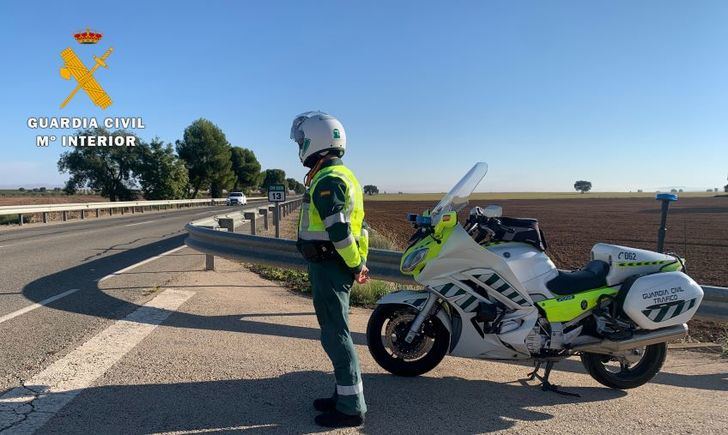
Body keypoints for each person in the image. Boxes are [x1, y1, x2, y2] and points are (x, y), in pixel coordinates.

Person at [291, 111, 369, 428]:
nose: (299, 146)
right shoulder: (341, 174)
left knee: (336, 336)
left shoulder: (328, 180)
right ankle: (343, 394)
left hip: (330, 266)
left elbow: (339, 231)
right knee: (336, 332)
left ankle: (351, 407)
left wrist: (356, 265)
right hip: (334, 265)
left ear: (315, 142)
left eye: (301, 140)